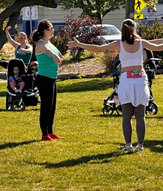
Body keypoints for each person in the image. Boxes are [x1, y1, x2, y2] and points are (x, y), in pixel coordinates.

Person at [67, 19, 163, 152]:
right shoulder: (141, 43)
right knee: (140, 116)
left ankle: (128, 145)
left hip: (126, 79)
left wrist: (79, 44)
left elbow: (97, 48)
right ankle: (140, 146)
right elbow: (158, 46)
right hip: (140, 78)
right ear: (134, 29)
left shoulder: (119, 44)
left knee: (127, 115)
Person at [32, 20, 62, 142]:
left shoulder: (48, 42)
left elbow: (57, 53)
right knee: (46, 107)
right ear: (45, 30)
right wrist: (55, 56)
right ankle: (44, 134)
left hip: (52, 78)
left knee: (52, 107)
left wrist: (59, 55)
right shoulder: (40, 44)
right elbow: (48, 52)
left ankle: (50, 131)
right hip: (44, 79)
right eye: (51, 28)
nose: (53, 30)